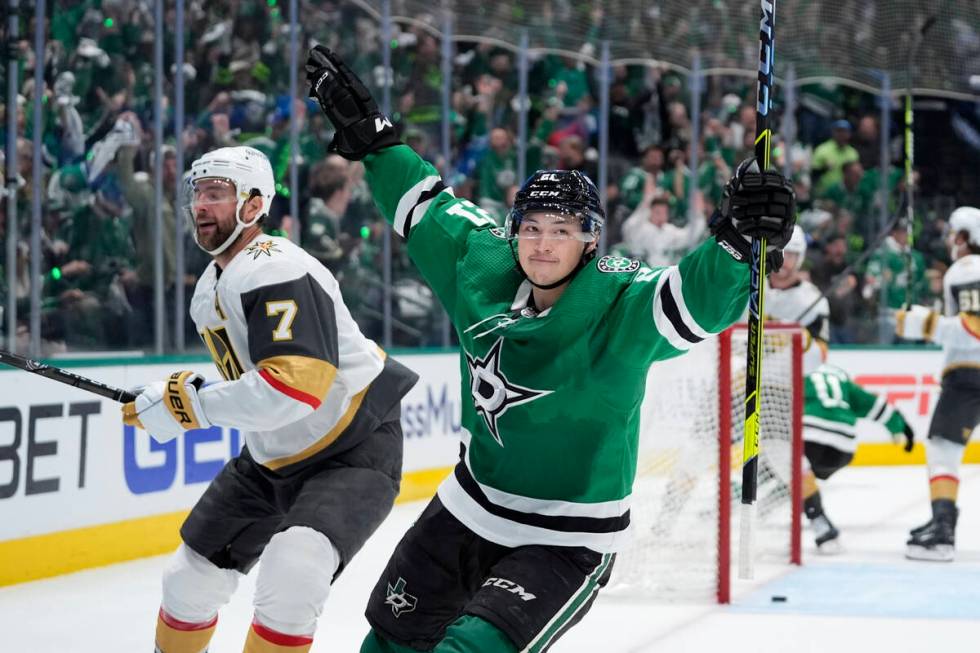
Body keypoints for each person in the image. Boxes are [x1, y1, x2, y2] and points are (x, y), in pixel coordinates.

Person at [305, 45, 797, 653]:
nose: (542, 244)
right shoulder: (484, 262)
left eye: (562, 230)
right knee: (383, 646)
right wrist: (374, 142)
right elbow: (427, 204)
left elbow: (692, 301)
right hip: (468, 507)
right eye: (532, 228)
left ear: (590, 240)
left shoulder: (619, 298)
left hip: (568, 537)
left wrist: (734, 242)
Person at [121, 145, 418, 652]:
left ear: (254, 205)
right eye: (198, 194)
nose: (201, 206)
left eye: (217, 193)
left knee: (294, 573)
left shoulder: (276, 265)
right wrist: (186, 397)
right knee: (187, 580)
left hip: (352, 448)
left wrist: (193, 406)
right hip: (269, 458)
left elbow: (295, 385)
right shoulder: (208, 287)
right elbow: (254, 381)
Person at [897, 206, 980, 561]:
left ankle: (943, 531)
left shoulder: (967, 269)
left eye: (953, 234)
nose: (950, 241)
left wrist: (922, 324)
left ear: (964, 237)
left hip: (969, 373)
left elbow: (974, 327)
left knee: (943, 450)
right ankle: (940, 519)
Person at [801, 363, 914, 552]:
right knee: (806, 472)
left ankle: (819, 521)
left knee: (790, 466)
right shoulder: (846, 385)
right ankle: (801, 491)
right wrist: (902, 429)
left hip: (810, 439)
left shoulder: (805, 379)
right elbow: (878, 407)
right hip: (843, 449)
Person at [765, 225, 830, 374]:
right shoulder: (749, 287)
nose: (782, 259)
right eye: (778, 252)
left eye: (789, 254)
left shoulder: (814, 301)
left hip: (786, 379)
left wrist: (802, 339)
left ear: (799, 258)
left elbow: (822, 356)